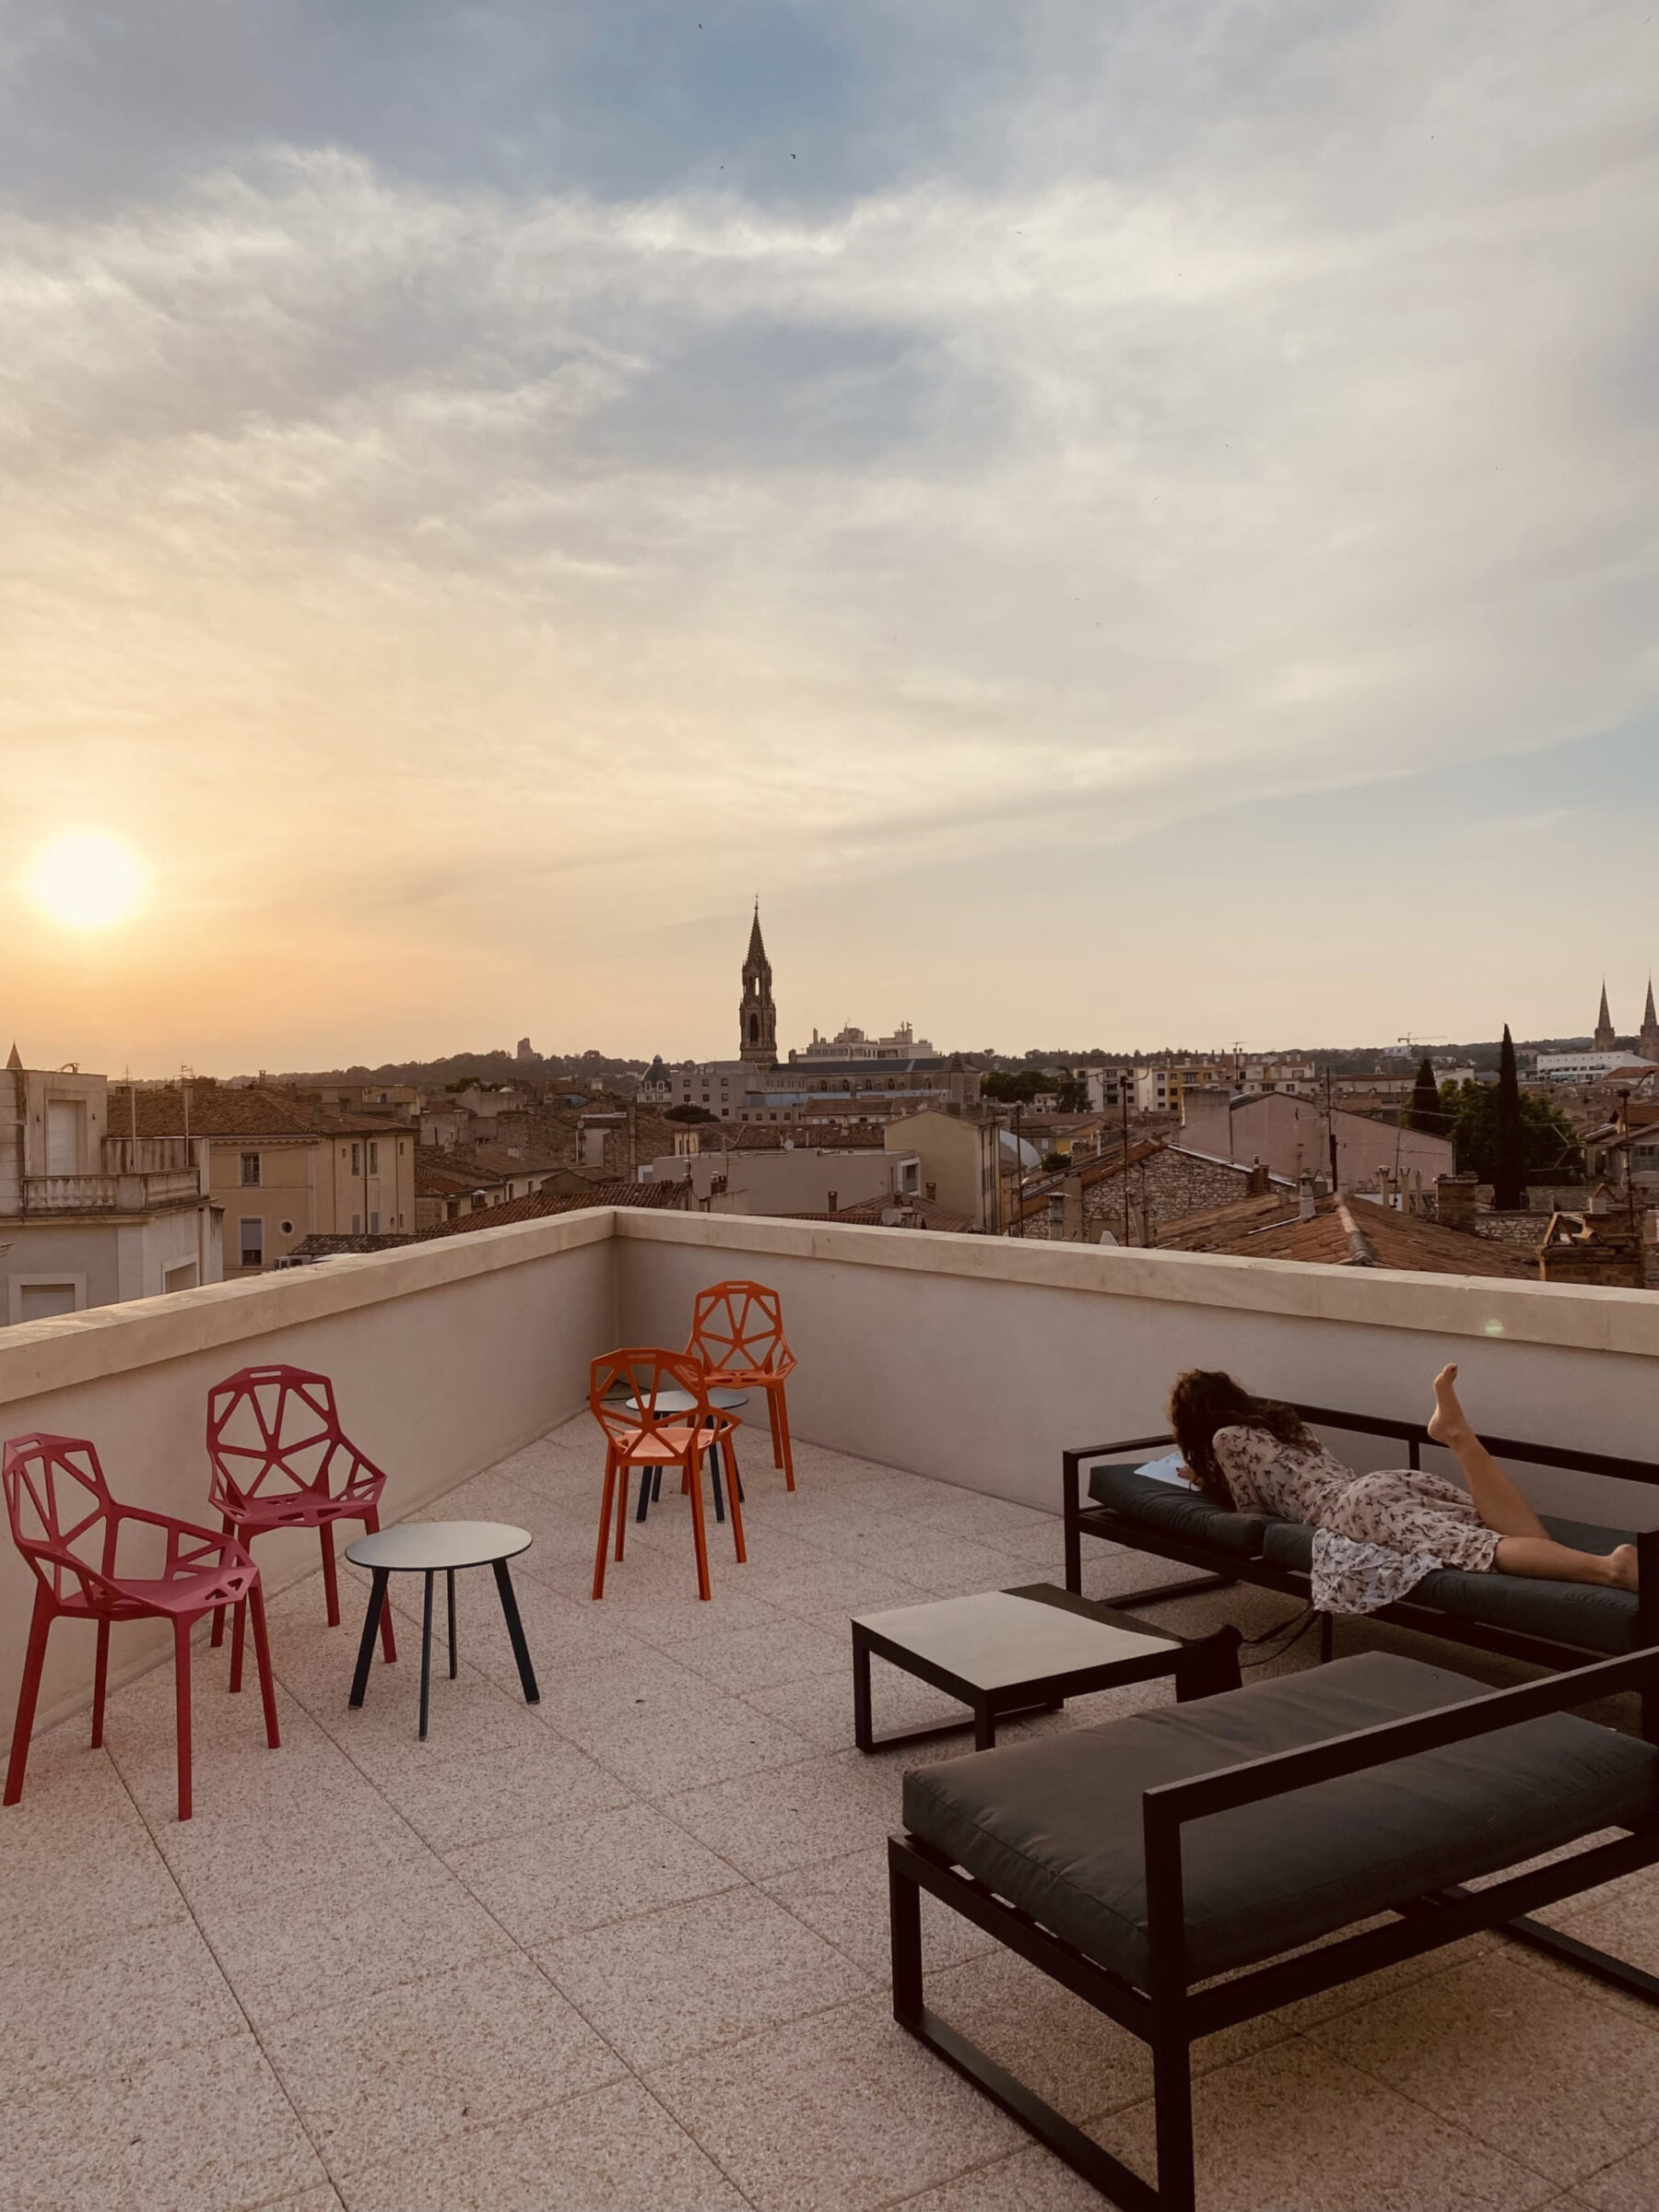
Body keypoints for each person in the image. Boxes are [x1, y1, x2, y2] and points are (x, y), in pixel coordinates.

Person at [1168, 1362, 1637, 1617]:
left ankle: (1608, 1569)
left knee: (1479, 1546)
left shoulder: (1225, 1439)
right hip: (1378, 1485)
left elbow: (1251, 1509)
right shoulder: (1284, 1427)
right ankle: (1458, 1436)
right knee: (1505, 1531)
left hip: (1347, 1511)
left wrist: (1208, 1484)